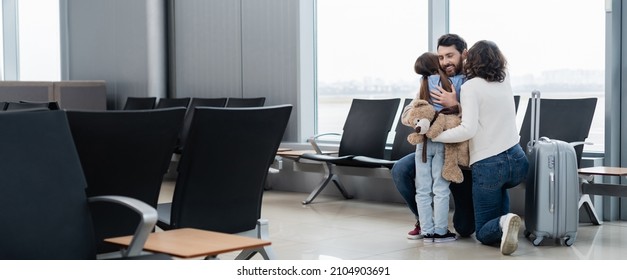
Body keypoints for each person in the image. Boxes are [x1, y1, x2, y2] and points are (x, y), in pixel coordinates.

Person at [431, 40, 529, 255]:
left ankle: (505, 221)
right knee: (499, 192)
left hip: (490, 166)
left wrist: (437, 136)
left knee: (483, 232)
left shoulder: (470, 87)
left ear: (470, 60)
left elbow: (467, 129)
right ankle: (505, 224)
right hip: (518, 161)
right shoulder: (505, 79)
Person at [391, 33, 475, 240]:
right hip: (434, 145)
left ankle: (437, 224)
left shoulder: (471, 82)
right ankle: (425, 221)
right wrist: (423, 119)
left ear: (464, 54)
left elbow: (481, 121)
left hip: (463, 156)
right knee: (401, 169)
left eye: (450, 56)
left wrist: (455, 105)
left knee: (465, 228)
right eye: (441, 57)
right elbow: (406, 115)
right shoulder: (429, 83)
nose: (445, 62)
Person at [402, 52, 461, 242]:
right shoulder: (455, 82)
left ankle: (427, 232)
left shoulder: (423, 85)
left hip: (423, 145)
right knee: (441, 189)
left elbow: (409, 115)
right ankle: (441, 231)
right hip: (443, 143)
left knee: (422, 190)